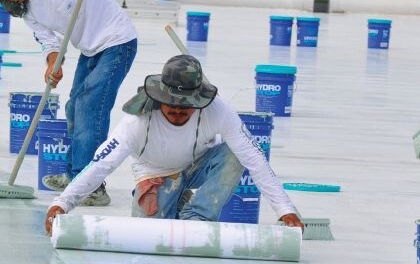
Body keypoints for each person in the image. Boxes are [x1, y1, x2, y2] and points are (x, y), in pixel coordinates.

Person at [44, 54, 304, 235]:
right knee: (150, 232)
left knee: (236, 154)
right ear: (159, 98)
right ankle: (175, 202)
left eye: (186, 105)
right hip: (156, 175)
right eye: (172, 104)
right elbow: (101, 164)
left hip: (198, 166)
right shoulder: (137, 121)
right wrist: (63, 203)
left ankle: (197, 218)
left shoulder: (218, 110)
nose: (179, 110)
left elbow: (254, 158)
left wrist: (285, 209)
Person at [0, 0, 139, 206]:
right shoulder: (27, 11)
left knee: (92, 106)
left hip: (117, 41)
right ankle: (74, 173)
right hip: (90, 48)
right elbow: (49, 43)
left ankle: (92, 186)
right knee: (74, 107)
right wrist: (53, 64)